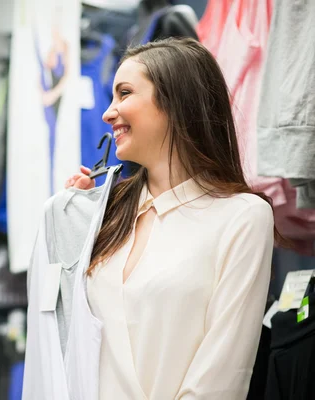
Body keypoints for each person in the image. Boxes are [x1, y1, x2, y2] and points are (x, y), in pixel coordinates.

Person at [61, 37, 278, 399]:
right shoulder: (106, 213)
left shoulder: (242, 217)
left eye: (124, 93)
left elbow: (222, 377)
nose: (108, 112)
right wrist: (73, 220)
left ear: (175, 101)